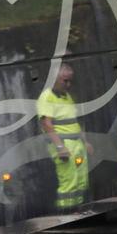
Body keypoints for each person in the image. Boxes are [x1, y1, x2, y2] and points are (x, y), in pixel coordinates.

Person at [38, 63, 90, 211]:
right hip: (63, 144)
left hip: (76, 143)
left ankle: (78, 209)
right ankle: (66, 212)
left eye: (70, 81)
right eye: (64, 80)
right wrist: (60, 147)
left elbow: (74, 121)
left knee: (81, 179)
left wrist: (85, 142)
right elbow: (46, 124)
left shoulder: (66, 96)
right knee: (69, 181)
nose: (68, 84)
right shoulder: (47, 96)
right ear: (54, 79)